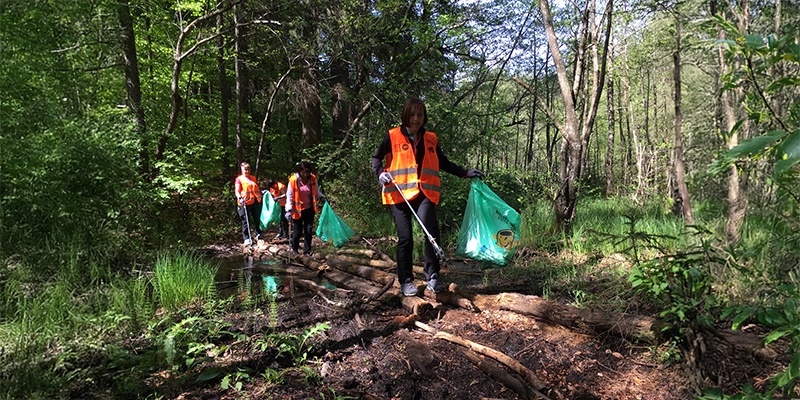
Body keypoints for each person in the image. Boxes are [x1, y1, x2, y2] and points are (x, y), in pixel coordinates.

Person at [372, 98, 482, 296]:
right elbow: (376, 157)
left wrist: (464, 172)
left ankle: (432, 276)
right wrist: (380, 173)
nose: (416, 119)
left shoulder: (430, 138)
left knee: (431, 232)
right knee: (405, 238)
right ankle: (406, 280)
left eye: (420, 115)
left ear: (424, 117)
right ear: (406, 115)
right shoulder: (392, 136)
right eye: (412, 114)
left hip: (423, 193)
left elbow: (442, 162)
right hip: (399, 194)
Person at [285, 162, 325, 256]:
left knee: (308, 230)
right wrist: (288, 210)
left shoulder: (313, 178)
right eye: (303, 172)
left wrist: (322, 197)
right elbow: (289, 195)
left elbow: (316, 190)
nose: (305, 174)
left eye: (307, 171)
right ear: (299, 171)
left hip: (309, 208)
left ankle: (307, 251)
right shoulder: (293, 180)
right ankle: (294, 248)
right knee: (297, 231)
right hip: (297, 209)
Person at [235, 162, 263, 245]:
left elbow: (256, 188)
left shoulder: (253, 178)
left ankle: (258, 233)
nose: (247, 171)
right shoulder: (239, 179)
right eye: (245, 170)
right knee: (245, 221)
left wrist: (261, 194)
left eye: (248, 169)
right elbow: (237, 191)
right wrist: (240, 198)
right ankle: (246, 238)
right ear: (242, 170)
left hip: (254, 201)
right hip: (244, 202)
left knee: (257, 218)